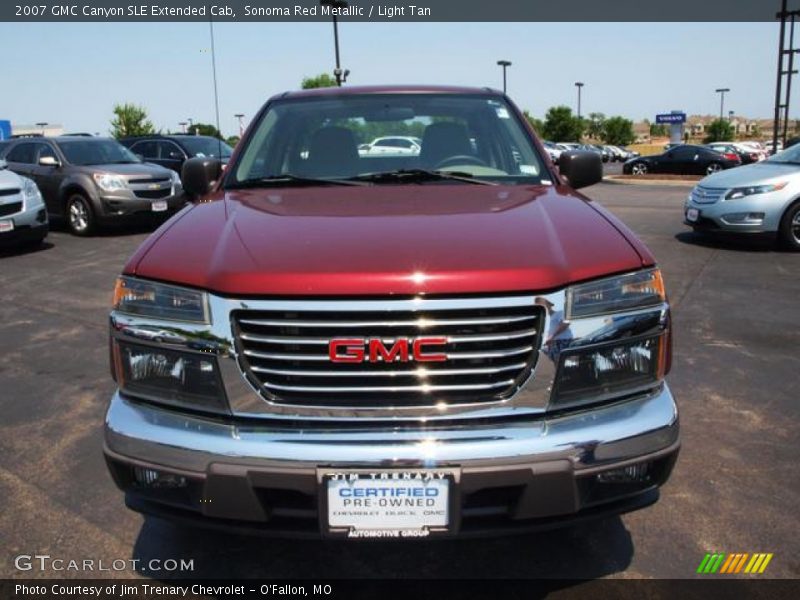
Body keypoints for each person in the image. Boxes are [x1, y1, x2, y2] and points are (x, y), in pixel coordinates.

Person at [535, 297, 573, 362]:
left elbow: (565, 323)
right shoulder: (548, 319)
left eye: (543, 305)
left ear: (549, 305)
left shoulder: (559, 313)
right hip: (552, 345)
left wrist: (552, 337)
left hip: (562, 342)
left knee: (560, 364)